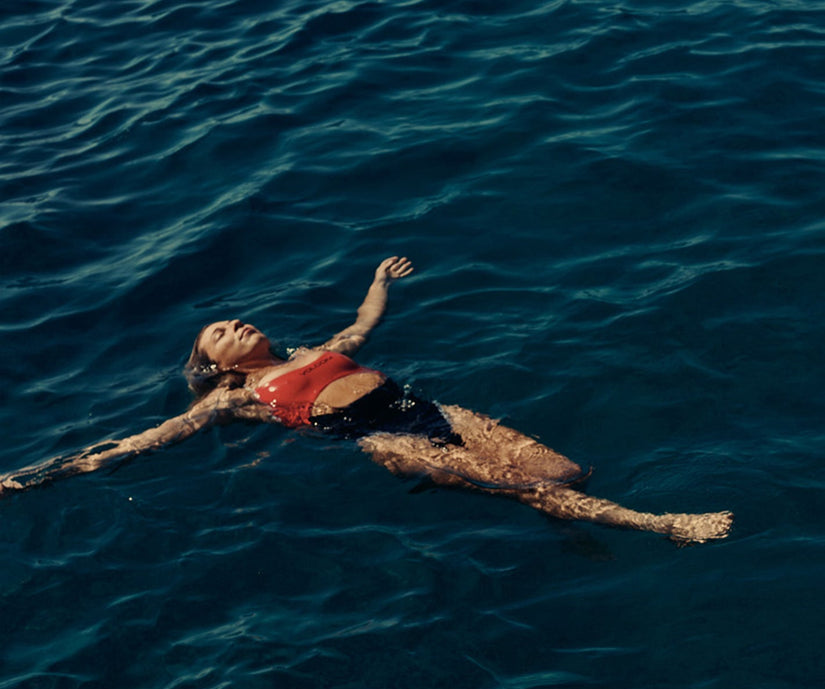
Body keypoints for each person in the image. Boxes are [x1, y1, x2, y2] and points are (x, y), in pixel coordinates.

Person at [0, 256, 733, 544]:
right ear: (215, 364)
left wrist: (380, 280)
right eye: (220, 333)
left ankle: (575, 523)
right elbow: (143, 441)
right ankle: (661, 525)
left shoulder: (313, 350)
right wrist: (42, 474)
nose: (235, 324)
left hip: (432, 411)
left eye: (233, 319)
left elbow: (362, 324)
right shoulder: (234, 399)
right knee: (532, 489)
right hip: (385, 439)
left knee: (561, 472)